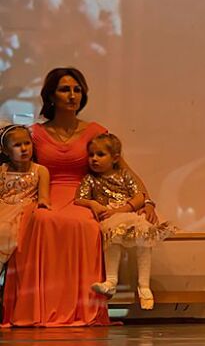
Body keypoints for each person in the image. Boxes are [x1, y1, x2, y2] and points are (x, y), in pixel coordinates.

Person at [2, 67, 156, 327]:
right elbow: (16, 166)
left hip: (83, 195)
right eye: (65, 89)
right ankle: (38, 308)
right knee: (39, 220)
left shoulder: (94, 131)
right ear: (51, 96)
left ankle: (81, 309)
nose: (72, 95)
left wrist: (148, 201)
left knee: (85, 225)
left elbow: (124, 170)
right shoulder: (35, 134)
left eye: (77, 89)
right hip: (45, 194)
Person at [76, 133, 174, 309]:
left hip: (130, 213)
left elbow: (139, 196)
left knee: (144, 240)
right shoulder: (90, 179)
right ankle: (111, 281)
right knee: (112, 239)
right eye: (91, 155)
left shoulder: (125, 175)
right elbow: (79, 199)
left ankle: (144, 285)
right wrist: (92, 203)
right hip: (110, 218)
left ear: (115, 158)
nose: (94, 159)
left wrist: (122, 210)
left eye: (100, 154)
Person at [0, 125, 50, 269]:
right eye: (17, 145)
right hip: (4, 206)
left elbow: (44, 196)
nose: (24, 148)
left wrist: (43, 202)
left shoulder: (40, 170)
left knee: (5, 228)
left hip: (25, 208)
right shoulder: (2, 170)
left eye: (27, 143)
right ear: (5, 150)